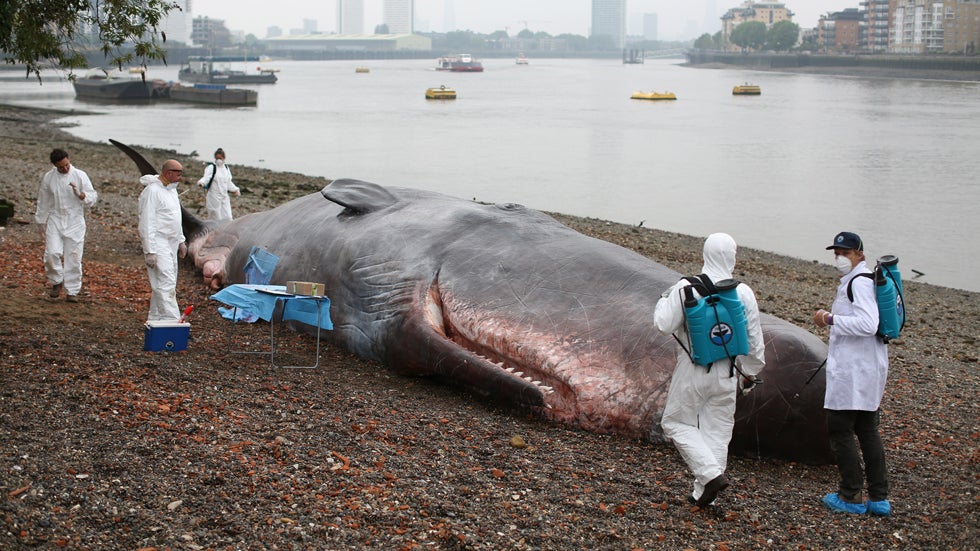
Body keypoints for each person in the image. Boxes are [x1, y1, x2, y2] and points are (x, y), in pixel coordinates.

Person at [654, 233, 766, 508]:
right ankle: (704, 491)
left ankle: (710, 476)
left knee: (675, 423)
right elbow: (754, 342)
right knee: (717, 431)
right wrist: (750, 373)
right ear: (731, 257)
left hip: (693, 369)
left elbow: (663, 324)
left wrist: (662, 301)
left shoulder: (685, 287)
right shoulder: (743, 293)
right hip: (728, 373)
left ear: (705, 255)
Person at [813, 231, 891, 517]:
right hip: (868, 367)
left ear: (859, 254)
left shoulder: (859, 282)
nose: (840, 258)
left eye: (845, 253)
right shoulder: (865, 280)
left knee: (840, 428)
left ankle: (850, 495)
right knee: (868, 430)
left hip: (854, 370)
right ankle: (879, 498)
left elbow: (868, 324)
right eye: (836, 253)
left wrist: (829, 319)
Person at [34, 148, 98, 302]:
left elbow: (92, 197)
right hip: (56, 218)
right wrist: (41, 222)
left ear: (69, 160)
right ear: (55, 165)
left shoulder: (80, 175)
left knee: (74, 257)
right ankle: (56, 281)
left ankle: (72, 291)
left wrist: (82, 195)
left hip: (75, 220)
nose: (65, 168)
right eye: (61, 167)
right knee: (52, 253)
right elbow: (43, 201)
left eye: (66, 165)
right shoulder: (49, 178)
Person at [138, 159, 187, 322]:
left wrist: (181, 240)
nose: (181, 177)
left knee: (166, 282)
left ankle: (156, 318)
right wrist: (149, 250)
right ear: (168, 173)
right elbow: (146, 222)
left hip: (171, 242)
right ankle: (173, 321)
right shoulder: (152, 191)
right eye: (178, 174)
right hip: (158, 242)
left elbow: (175, 217)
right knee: (165, 282)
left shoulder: (172, 191)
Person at [197, 147, 240, 221]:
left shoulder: (226, 168)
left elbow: (228, 182)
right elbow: (206, 177)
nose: (219, 160)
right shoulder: (211, 167)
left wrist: (235, 190)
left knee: (228, 217)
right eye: (217, 158)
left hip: (224, 196)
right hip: (214, 196)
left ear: (224, 158)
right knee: (215, 217)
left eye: (220, 158)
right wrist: (202, 183)